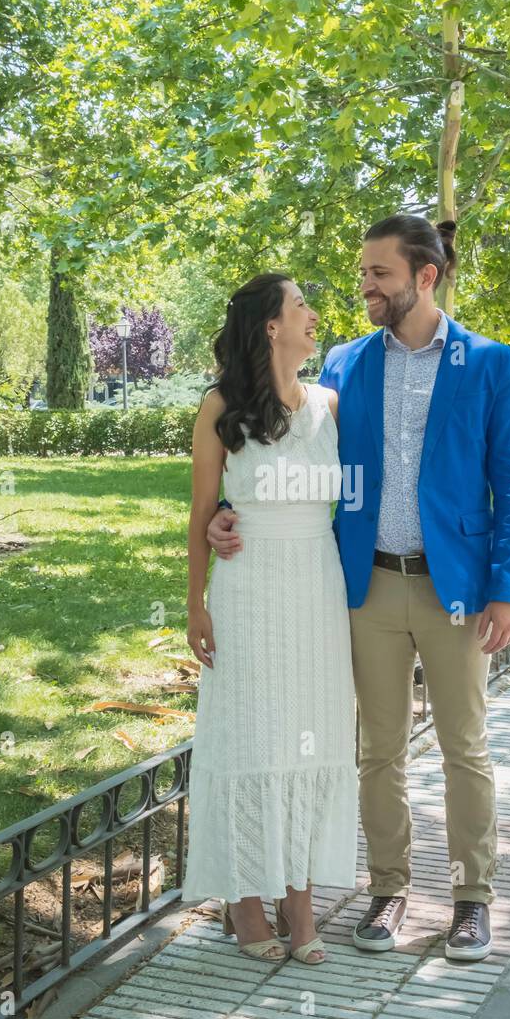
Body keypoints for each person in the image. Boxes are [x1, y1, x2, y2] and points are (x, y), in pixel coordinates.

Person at [207, 215, 510, 961]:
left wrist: (507, 589)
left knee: (464, 748)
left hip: (457, 590)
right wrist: (229, 513)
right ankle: (388, 891)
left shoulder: (489, 364)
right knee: (377, 751)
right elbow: (288, 450)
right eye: (363, 273)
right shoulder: (346, 364)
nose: (364, 286)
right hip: (365, 586)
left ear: (425, 276)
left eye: (378, 274)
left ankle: (471, 899)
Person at [182, 272, 358, 965]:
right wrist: (195, 601)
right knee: (250, 734)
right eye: (301, 306)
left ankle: (301, 902)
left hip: (316, 586)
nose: (315, 315)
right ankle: (246, 904)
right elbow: (201, 512)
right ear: (270, 327)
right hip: (249, 587)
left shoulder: (331, 403)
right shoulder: (219, 406)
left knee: (310, 738)